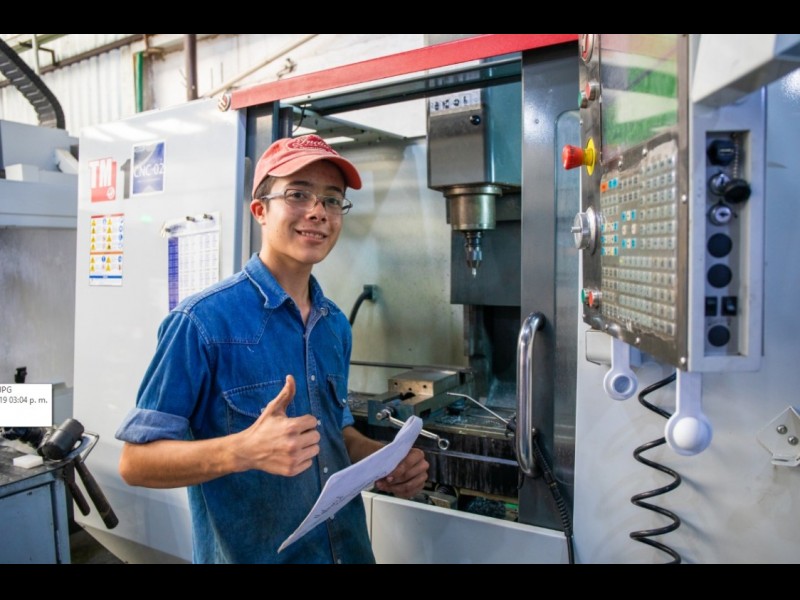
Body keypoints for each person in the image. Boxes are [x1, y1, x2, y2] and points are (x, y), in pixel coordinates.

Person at [115, 134, 429, 564]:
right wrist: (242, 450)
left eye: (332, 200)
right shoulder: (201, 322)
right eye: (298, 194)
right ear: (260, 210)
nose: (318, 211)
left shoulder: (334, 325)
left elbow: (334, 433)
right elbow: (136, 462)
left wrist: (382, 460)